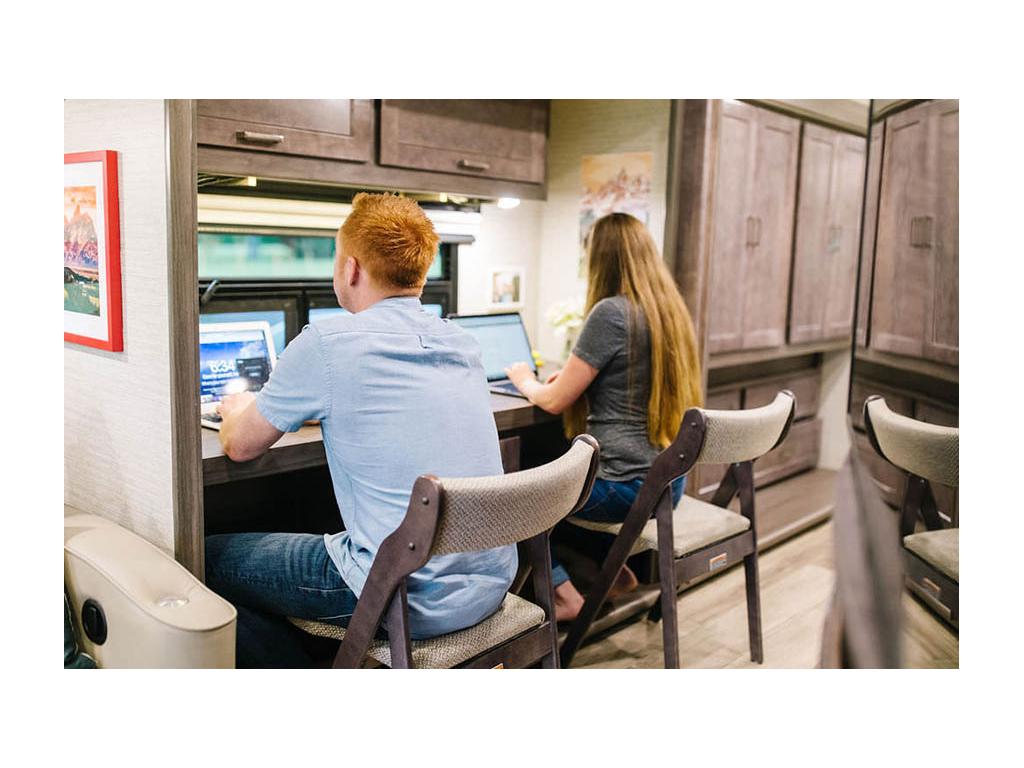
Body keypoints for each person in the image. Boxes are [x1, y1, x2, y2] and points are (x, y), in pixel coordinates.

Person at [206, 193, 517, 667]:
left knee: (202, 556)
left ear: (350, 269)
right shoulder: (463, 344)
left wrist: (238, 408)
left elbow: (241, 445)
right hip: (491, 582)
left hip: (401, 595)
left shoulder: (328, 344)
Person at [504, 212, 702, 622]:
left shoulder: (611, 313)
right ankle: (611, 573)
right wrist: (577, 377)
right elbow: (629, 379)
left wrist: (525, 380)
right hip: (665, 482)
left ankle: (565, 597)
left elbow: (555, 401)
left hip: (621, 486)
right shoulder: (669, 311)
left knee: (514, 495)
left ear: (600, 258)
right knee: (550, 469)